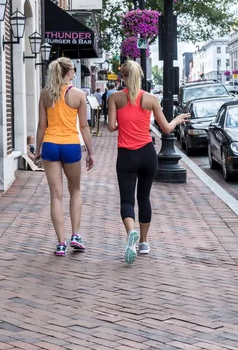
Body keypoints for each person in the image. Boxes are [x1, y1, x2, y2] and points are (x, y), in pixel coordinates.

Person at [108, 60, 189, 264]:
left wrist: (123, 124)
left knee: (127, 200)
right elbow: (167, 129)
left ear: (123, 77)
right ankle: (144, 243)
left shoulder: (115, 98)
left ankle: (131, 234)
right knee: (144, 197)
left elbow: (110, 127)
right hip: (147, 154)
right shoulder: (151, 99)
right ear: (140, 77)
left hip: (126, 155)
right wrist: (177, 120)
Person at [34, 57, 95, 256]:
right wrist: (90, 152)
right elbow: (84, 127)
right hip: (70, 145)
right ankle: (75, 235)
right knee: (75, 190)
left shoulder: (45, 94)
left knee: (55, 195)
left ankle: (61, 243)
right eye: (74, 70)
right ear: (69, 72)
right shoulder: (77, 94)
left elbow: (42, 126)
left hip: (50, 145)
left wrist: (37, 150)